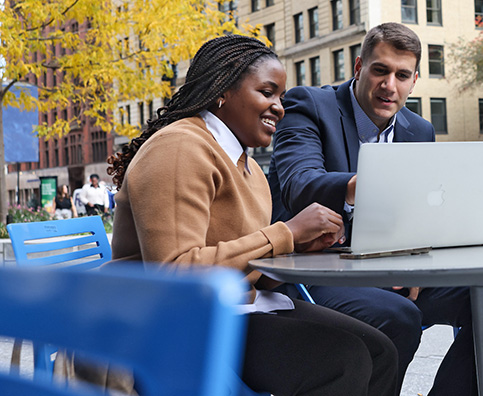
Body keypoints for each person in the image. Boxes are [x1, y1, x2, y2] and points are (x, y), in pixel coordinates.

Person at [107, 34, 398, 396]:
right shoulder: (180, 147)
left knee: (380, 349)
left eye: (280, 96)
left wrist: (296, 249)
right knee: (344, 359)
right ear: (222, 92)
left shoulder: (248, 167)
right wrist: (285, 233)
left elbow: (251, 273)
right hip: (174, 324)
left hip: (234, 308)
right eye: (267, 92)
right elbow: (176, 274)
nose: (280, 106)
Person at [268, 22, 475, 395]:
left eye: (402, 75)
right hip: (316, 272)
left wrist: (418, 264)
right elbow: (300, 185)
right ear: (360, 66)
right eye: (380, 70)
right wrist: (363, 185)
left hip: (393, 270)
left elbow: (419, 212)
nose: (389, 85)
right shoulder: (309, 105)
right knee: (400, 317)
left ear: (415, 81)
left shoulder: (419, 130)